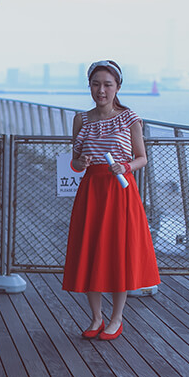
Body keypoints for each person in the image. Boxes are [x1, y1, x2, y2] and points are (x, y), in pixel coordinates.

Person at [62, 59, 160, 340]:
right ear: (89, 86)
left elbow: (142, 158)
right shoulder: (81, 120)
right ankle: (96, 318)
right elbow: (74, 163)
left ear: (117, 87)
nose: (101, 90)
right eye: (96, 84)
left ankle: (116, 318)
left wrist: (126, 166)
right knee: (91, 250)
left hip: (120, 191)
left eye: (107, 84)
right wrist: (80, 162)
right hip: (91, 191)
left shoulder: (130, 119)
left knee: (118, 252)